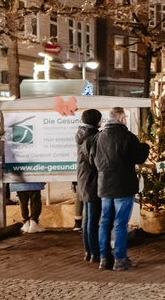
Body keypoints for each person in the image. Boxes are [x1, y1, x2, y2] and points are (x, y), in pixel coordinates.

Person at [93, 107, 150, 271]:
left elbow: (93, 158)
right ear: (122, 119)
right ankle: (120, 259)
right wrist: (144, 146)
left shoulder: (99, 137)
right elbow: (139, 157)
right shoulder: (127, 137)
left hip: (104, 185)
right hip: (123, 185)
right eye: (124, 117)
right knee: (120, 223)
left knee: (104, 223)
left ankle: (104, 259)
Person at [75, 108, 102, 262]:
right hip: (91, 179)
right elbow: (95, 161)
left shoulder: (81, 134)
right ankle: (94, 253)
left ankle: (88, 251)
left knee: (88, 217)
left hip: (83, 178)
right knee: (92, 217)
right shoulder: (92, 138)